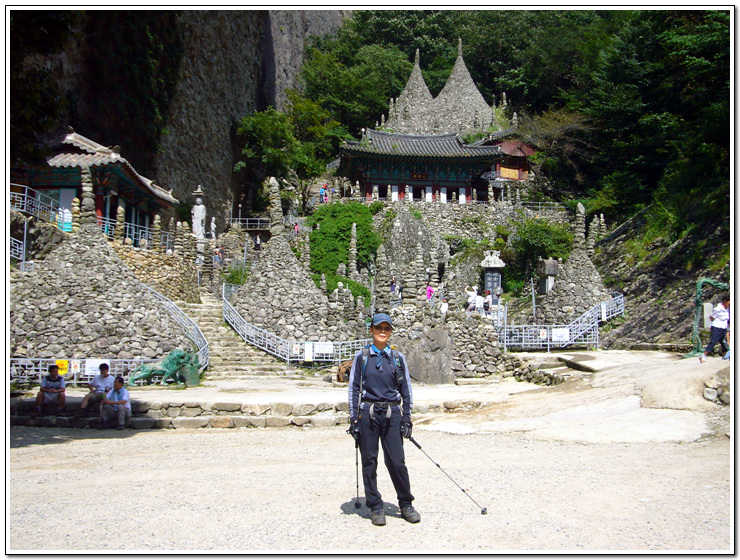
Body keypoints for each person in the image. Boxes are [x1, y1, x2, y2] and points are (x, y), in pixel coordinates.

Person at [348, 313, 420, 527]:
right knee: (369, 460)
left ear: (390, 332)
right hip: (368, 412)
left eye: (387, 328)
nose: (382, 331)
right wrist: (354, 419)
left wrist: (407, 417)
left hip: (392, 414)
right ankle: (375, 505)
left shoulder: (398, 358)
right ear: (371, 330)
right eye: (379, 327)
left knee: (397, 461)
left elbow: (406, 388)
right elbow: (354, 388)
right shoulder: (361, 357)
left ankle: (406, 503)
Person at [700, 294, 731, 363]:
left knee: (724, 344)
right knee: (713, 342)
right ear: (725, 301)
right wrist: (716, 323)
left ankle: (724, 358)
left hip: (724, 328)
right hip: (717, 328)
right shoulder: (718, 309)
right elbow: (712, 317)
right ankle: (703, 356)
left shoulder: (728, 309)